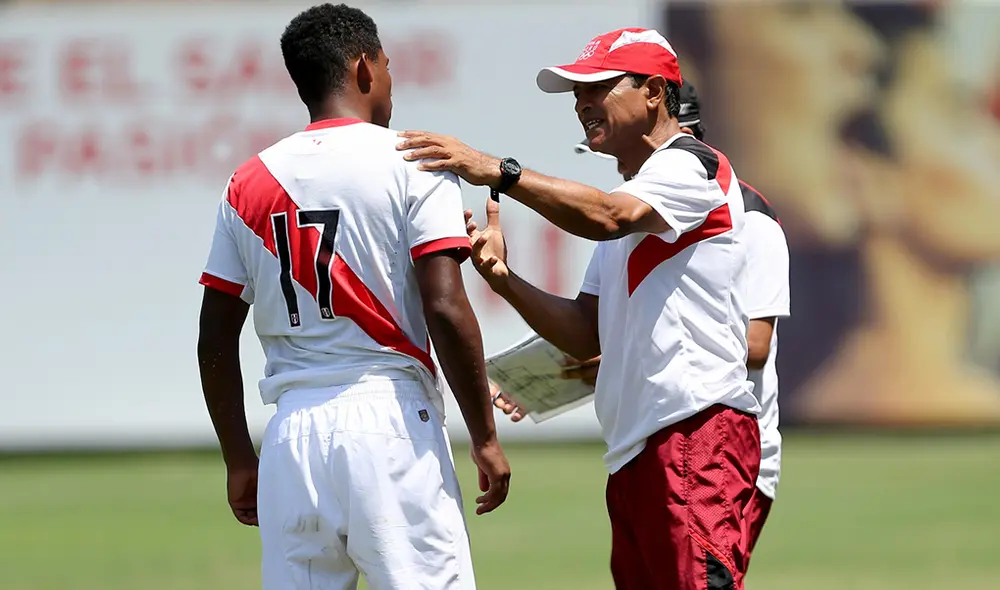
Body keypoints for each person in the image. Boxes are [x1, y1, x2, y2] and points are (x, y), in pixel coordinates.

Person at [398, 27, 761, 589]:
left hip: (695, 434)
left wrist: (497, 170)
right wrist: (503, 280)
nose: (581, 104)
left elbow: (609, 216)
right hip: (640, 448)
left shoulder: (691, 164)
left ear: (653, 92)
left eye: (597, 88)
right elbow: (584, 332)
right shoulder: (637, 199)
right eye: (576, 93)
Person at [195, 5, 509, 590]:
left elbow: (214, 338)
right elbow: (445, 308)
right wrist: (485, 436)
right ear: (365, 67)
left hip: (291, 434)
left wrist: (239, 458)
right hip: (390, 421)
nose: (391, 80)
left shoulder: (246, 182)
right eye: (387, 66)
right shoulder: (417, 161)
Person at [567, 81, 791, 573]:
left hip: (715, 442)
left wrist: (621, 355)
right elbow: (599, 328)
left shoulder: (751, 218)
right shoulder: (629, 216)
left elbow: (754, 346)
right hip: (649, 441)